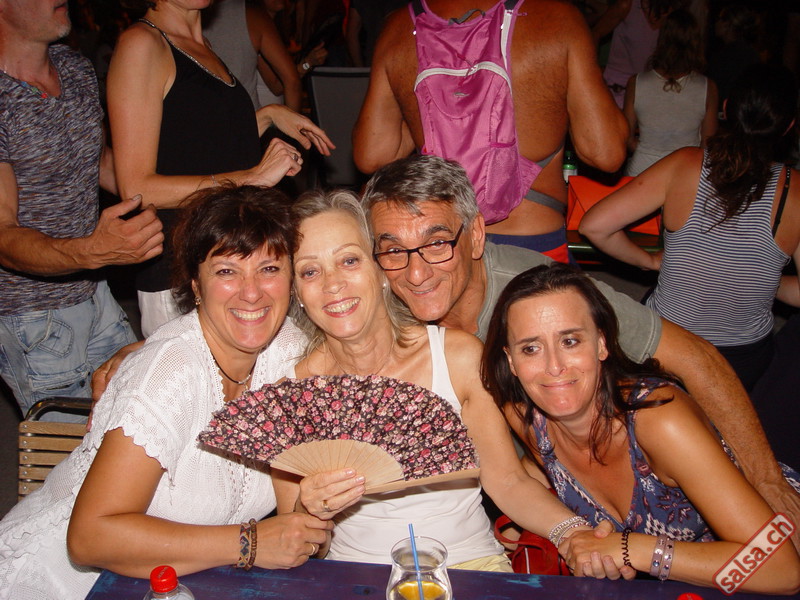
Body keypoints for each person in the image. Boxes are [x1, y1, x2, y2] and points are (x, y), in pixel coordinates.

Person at [360, 154, 800, 549]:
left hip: (658, 493)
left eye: (437, 244)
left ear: (475, 235)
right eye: (393, 249)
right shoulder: (381, 310)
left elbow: (694, 357)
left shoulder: (538, 295)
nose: (415, 273)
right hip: (542, 497)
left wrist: (766, 479)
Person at [0, 185, 331, 599]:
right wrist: (249, 543)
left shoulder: (287, 351)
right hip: (60, 583)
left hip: (184, 583)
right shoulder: (169, 374)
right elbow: (88, 539)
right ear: (196, 284)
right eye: (226, 271)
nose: (252, 292)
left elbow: (295, 518)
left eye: (269, 268)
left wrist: (309, 516)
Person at [271, 190, 623, 574]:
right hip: (353, 575)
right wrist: (309, 510)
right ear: (296, 292)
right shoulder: (291, 393)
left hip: (470, 566)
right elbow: (299, 545)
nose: (333, 284)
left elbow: (507, 481)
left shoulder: (456, 357)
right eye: (310, 271)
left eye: (349, 260)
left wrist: (572, 533)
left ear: (380, 269)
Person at [480, 263, 800, 593]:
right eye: (531, 348)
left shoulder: (660, 421)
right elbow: (537, 469)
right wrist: (534, 524)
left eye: (570, 341)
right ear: (511, 361)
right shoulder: (527, 419)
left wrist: (630, 549)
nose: (554, 366)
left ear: (601, 344)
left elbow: (782, 571)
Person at [108, 0, 334, 337]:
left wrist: (267, 116)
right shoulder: (142, 44)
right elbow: (137, 188)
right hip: (180, 275)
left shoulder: (200, 44)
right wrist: (251, 178)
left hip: (228, 258)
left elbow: (196, 146)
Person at [580, 64, 800, 391]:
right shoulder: (795, 191)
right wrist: (762, 279)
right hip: (741, 361)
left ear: (726, 108)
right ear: (789, 126)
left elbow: (595, 226)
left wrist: (649, 260)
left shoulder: (685, 163)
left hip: (669, 346)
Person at [352, 0, 628, 261]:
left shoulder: (400, 26)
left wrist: (423, 114)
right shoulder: (556, 19)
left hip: (446, 248)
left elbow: (373, 155)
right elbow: (605, 153)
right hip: (532, 244)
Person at [0, 0, 164, 419]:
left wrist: (198, 190)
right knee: (70, 449)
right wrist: (92, 251)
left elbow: (100, 163)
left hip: (94, 290)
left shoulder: (75, 68)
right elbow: (3, 234)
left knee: (137, 417)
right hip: (31, 315)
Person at [623, 9, 717, 176]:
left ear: (661, 40)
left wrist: (650, 151)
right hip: (684, 174)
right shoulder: (708, 88)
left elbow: (627, 139)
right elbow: (707, 145)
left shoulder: (636, 83)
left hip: (642, 173)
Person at [203, 0, 302, 111]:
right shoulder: (252, 16)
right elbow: (288, 82)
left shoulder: (198, 15)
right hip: (247, 114)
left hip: (215, 112)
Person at [592, 0, 685, 108]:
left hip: (648, 90)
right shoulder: (627, 5)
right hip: (616, 87)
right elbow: (595, 33)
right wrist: (592, 73)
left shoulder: (673, 14)